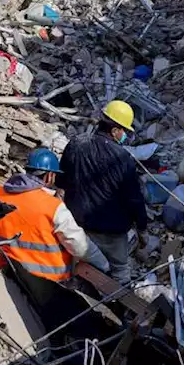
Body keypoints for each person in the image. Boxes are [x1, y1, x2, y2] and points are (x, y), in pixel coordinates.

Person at [0, 148, 109, 283]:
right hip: (47, 282)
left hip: (1, 269)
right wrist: (103, 264)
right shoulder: (53, 207)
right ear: (50, 176)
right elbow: (79, 245)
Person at [57, 101, 147, 284]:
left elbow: (61, 184)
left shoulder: (76, 145)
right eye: (124, 131)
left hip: (79, 227)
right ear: (114, 130)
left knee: (81, 271)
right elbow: (134, 199)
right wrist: (142, 228)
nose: (125, 136)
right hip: (112, 233)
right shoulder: (122, 158)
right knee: (119, 273)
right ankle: (120, 307)